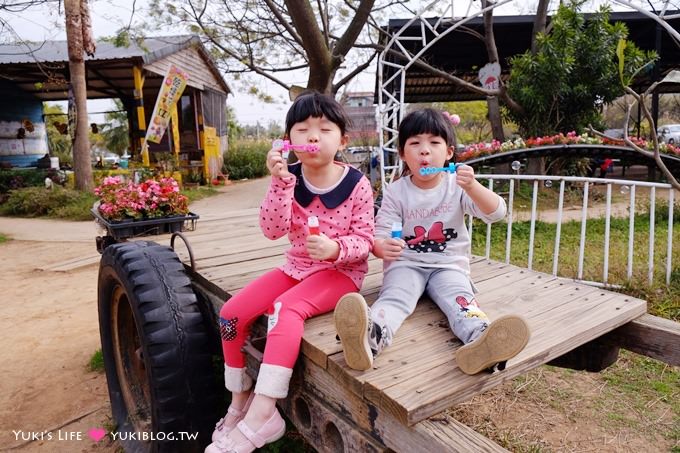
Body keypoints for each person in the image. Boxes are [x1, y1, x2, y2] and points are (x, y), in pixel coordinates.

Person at [205, 91, 375, 453]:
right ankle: (239, 401)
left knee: (285, 309)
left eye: (324, 129)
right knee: (230, 315)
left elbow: (365, 239)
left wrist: (335, 249)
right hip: (296, 267)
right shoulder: (289, 178)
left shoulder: (357, 183)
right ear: (289, 141)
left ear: (342, 140)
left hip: (341, 272)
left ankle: (265, 413)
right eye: (303, 129)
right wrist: (281, 183)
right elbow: (272, 229)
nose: (313, 137)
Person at [334, 108, 530, 375]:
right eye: (415, 143)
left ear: (449, 153)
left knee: (461, 300)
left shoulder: (457, 185)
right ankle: (370, 337)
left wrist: (473, 187)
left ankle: (482, 341)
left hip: (449, 266)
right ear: (403, 154)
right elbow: (379, 236)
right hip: (406, 264)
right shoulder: (396, 192)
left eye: (434, 143)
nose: (424, 151)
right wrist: (383, 247)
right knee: (395, 299)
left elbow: (496, 212)